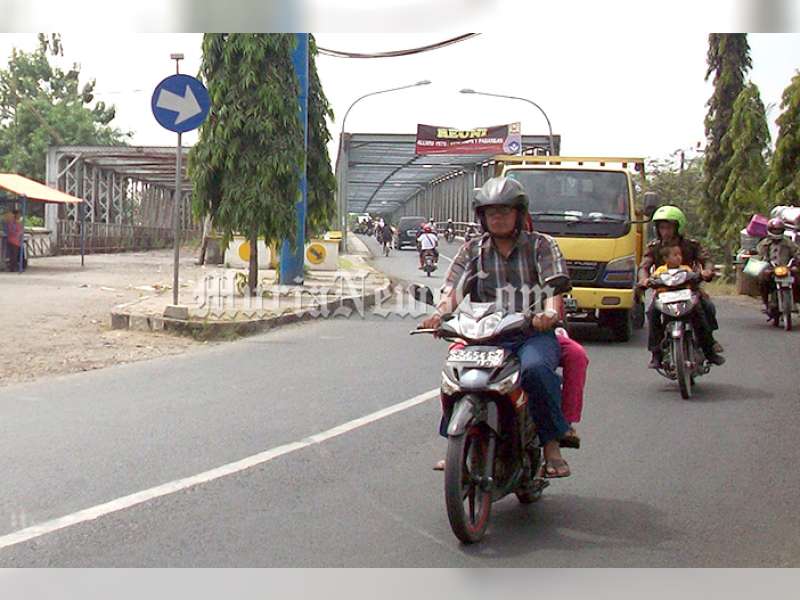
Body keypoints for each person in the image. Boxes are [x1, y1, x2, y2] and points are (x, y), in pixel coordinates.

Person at [421, 176, 574, 478]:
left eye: (505, 211)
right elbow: (453, 289)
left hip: (529, 334)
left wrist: (548, 314)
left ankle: (551, 447)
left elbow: (553, 289)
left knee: (535, 371)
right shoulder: (472, 250)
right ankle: (454, 445)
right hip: (484, 335)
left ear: (519, 214)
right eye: (491, 212)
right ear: (482, 217)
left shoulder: (542, 245)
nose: (498, 217)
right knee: (453, 373)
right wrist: (439, 315)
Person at [638, 205, 724, 368]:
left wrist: (707, 271)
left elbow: (706, 260)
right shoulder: (654, 247)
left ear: (678, 227)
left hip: (689, 290)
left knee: (706, 307)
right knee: (652, 313)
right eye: (662, 228)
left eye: (669, 227)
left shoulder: (691, 245)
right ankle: (656, 354)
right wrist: (644, 280)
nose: (666, 232)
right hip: (664, 291)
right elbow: (644, 266)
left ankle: (709, 349)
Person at [756, 218, 800, 319]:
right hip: (771, 269)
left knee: (798, 280)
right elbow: (759, 255)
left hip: (786, 268)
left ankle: (796, 301)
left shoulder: (788, 243)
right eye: (775, 230)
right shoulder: (764, 243)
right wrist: (764, 264)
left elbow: (796, 252)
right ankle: (765, 302)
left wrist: (796, 262)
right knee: (762, 280)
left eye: (779, 230)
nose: (777, 232)